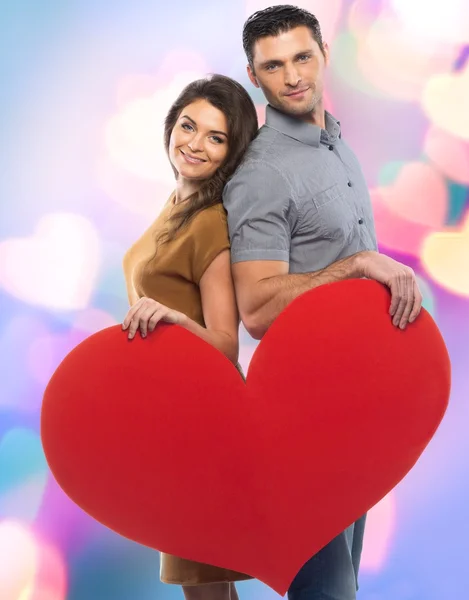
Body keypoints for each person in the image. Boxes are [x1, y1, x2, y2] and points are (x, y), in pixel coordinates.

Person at [222, 5, 423, 600]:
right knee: (326, 591)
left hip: (356, 405)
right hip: (304, 412)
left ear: (323, 56)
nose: (292, 77)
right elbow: (255, 308)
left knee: (344, 586)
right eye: (274, 66)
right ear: (254, 76)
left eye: (302, 57)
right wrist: (356, 266)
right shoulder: (262, 174)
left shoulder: (333, 144)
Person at [122, 74, 258, 600]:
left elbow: (227, 342)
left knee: (203, 581)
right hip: (169, 414)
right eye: (187, 126)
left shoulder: (208, 223)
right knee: (205, 583)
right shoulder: (173, 205)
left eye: (215, 137)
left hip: (203, 419)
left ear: (231, 152)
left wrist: (175, 322)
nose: (194, 144)